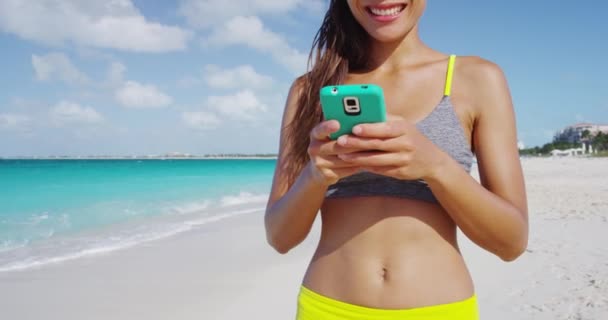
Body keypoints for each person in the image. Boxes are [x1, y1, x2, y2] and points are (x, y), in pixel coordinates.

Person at [264, 1, 528, 319]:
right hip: (327, 307)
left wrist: (436, 166)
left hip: (439, 311)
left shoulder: (476, 79)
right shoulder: (309, 90)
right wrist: (316, 175)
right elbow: (279, 237)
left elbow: (511, 242)